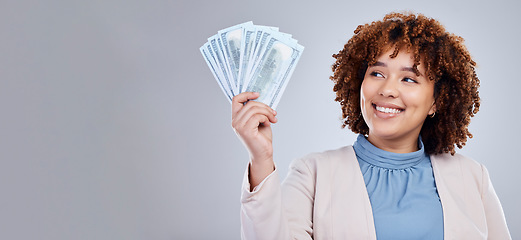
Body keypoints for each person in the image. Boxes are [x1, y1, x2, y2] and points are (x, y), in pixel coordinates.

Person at [231, 12, 511, 239]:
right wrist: (261, 158)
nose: (387, 90)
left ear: (437, 101)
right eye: (377, 73)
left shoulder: (473, 177)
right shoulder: (312, 173)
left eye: (409, 79)